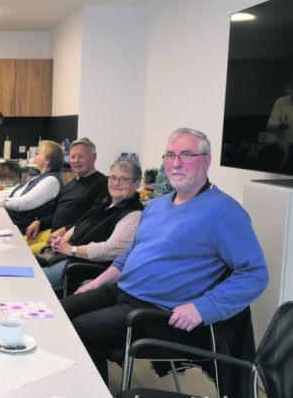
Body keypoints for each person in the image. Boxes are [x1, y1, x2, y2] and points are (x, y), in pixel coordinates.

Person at [60, 128, 268, 382]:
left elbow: (255, 274)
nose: (176, 163)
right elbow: (130, 253)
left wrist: (203, 307)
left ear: (207, 160)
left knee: (81, 330)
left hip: (156, 312)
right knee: (60, 313)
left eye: (186, 155)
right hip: (121, 291)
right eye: (170, 155)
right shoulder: (157, 205)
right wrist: (99, 280)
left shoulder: (225, 212)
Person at [41, 159, 144, 294]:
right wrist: (64, 240)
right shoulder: (106, 202)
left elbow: (110, 250)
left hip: (84, 267)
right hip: (66, 257)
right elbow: (80, 223)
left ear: (136, 184)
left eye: (123, 179)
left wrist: (72, 249)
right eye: (112, 178)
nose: (116, 183)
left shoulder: (134, 214)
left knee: (31, 280)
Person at [25, 138, 109, 254]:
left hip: (68, 242)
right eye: (73, 157)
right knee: (13, 243)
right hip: (50, 233)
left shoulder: (102, 184)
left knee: (23, 253)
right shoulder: (72, 182)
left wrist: (65, 230)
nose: (76, 161)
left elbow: (94, 220)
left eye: (81, 156)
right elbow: (59, 213)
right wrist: (40, 222)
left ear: (94, 157)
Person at [0, 140, 64, 231]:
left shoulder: (51, 181)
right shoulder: (38, 175)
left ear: (47, 160)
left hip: (23, 227)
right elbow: (14, 191)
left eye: (38, 153)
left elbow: (25, 202)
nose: (35, 156)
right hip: (14, 220)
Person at [265, 79, 293, 156]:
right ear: (289, 90)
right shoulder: (280, 102)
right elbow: (269, 127)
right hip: (284, 150)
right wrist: (279, 126)